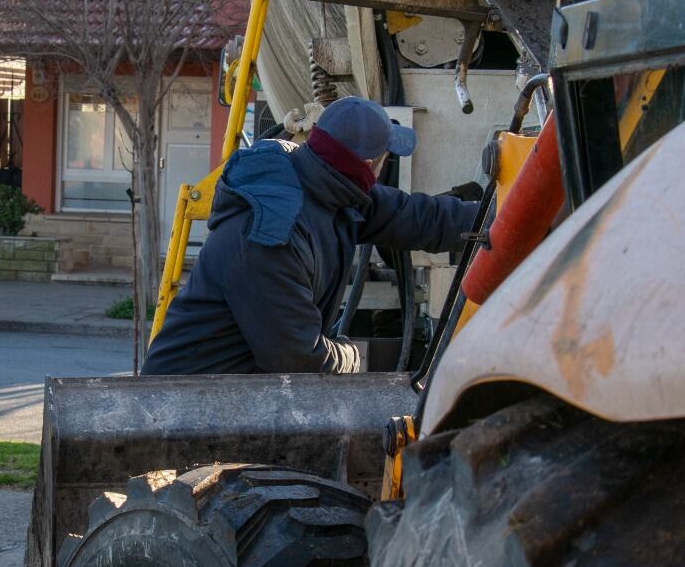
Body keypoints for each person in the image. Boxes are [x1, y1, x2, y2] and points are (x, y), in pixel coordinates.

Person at [143, 96, 482, 375]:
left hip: (240, 389)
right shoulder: (271, 235)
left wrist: (513, 217)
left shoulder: (326, 183)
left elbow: (420, 217)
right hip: (186, 406)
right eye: (384, 159)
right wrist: (354, 356)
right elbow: (298, 359)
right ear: (370, 164)